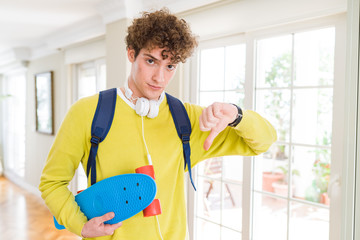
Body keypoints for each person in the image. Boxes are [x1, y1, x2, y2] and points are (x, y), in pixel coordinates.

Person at [39, 8, 277, 240]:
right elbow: (52, 182)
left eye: (170, 66)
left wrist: (237, 115)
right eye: (151, 61)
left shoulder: (188, 119)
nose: (160, 78)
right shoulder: (88, 112)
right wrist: (81, 226)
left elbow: (264, 142)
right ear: (131, 54)